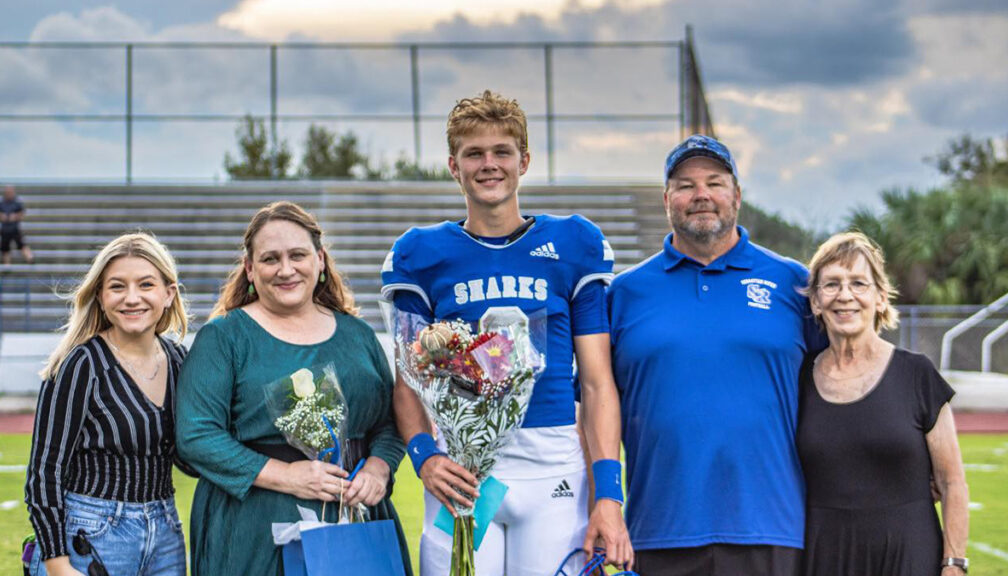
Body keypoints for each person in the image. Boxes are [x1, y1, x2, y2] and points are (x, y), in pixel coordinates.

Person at [382, 90, 632, 575]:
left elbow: (598, 383)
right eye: (474, 153)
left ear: (525, 161)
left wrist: (608, 496)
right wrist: (426, 458)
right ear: (454, 166)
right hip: (462, 473)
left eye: (502, 152)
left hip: (553, 466)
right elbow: (408, 380)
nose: (488, 164)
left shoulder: (573, 243)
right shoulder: (422, 253)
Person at [607, 134, 826, 575]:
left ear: (737, 196)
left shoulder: (793, 284)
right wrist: (603, 501)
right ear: (666, 199)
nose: (701, 195)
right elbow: (594, 406)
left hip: (772, 529)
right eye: (686, 185)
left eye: (715, 182)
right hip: (657, 529)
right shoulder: (625, 293)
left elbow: (844, 381)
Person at [176, 201, 409, 576]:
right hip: (254, 522)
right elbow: (196, 435)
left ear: (319, 260)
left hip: (356, 518)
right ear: (250, 270)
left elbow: (388, 423)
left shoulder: (359, 335)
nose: (286, 269)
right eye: (270, 259)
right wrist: (287, 476)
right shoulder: (223, 338)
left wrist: (379, 470)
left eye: (297, 255)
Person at [796, 231, 969, 576]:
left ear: (879, 297)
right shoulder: (797, 379)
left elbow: (951, 482)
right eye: (831, 285)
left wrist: (954, 565)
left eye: (859, 283)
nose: (845, 296)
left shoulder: (916, 374)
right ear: (815, 301)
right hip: (823, 556)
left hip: (908, 554)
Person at [24, 233, 192, 576]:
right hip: (91, 534)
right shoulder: (81, 363)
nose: (132, 298)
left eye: (146, 284)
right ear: (100, 297)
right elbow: (44, 472)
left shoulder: (179, 361)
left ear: (168, 293)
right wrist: (57, 563)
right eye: (117, 287)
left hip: (165, 534)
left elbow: (189, 454)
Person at [0, 185, 34, 264]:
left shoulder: (17, 202)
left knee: (22, 245)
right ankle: (7, 268)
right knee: (5, 249)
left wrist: (15, 216)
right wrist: (2, 216)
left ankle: (31, 260)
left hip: (14, 229)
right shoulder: (1, 202)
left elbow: (22, 213)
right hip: (4, 229)